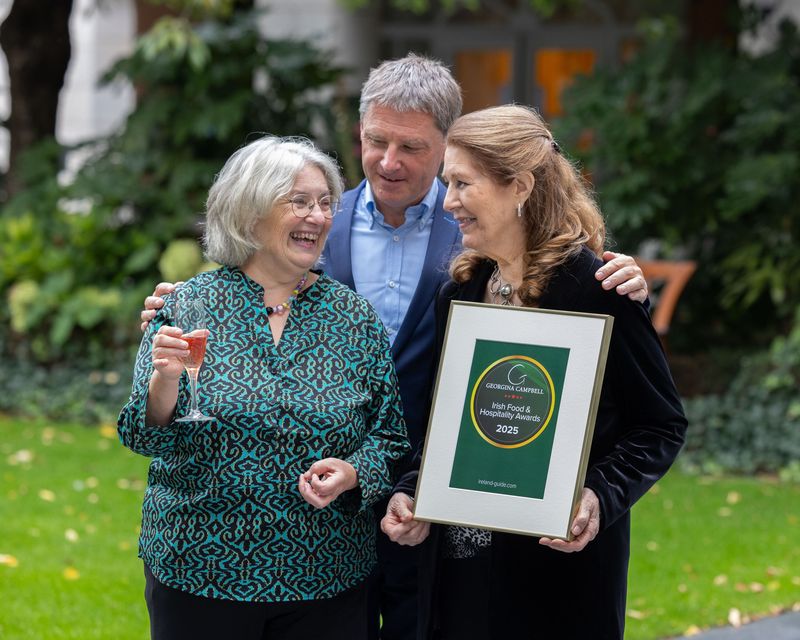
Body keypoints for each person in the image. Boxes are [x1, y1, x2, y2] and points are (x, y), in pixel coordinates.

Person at [140, 55, 650, 640]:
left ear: (445, 146)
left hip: (444, 506)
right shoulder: (315, 225)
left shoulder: (476, 244)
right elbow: (240, 299)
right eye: (376, 141)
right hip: (325, 526)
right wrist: (176, 323)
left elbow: (569, 317)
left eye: (411, 147)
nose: (388, 161)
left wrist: (626, 285)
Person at [381, 105, 688, 640]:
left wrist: (598, 496)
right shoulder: (460, 291)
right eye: (448, 184)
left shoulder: (599, 290)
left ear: (520, 186)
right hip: (460, 568)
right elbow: (444, 424)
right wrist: (413, 493)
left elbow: (660, 426)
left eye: (462, 184)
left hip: (556, 573)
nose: (447, 201)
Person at [118, 136, 410, 640]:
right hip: (200, 569)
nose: (318, 217)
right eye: (299, 201)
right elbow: (143, 436)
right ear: (250, 212)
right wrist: (164, 381)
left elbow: (389, 438)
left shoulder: (354, 317)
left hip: (326, 576)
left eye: (325, 203)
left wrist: (353, 471)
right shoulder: (188, 305)